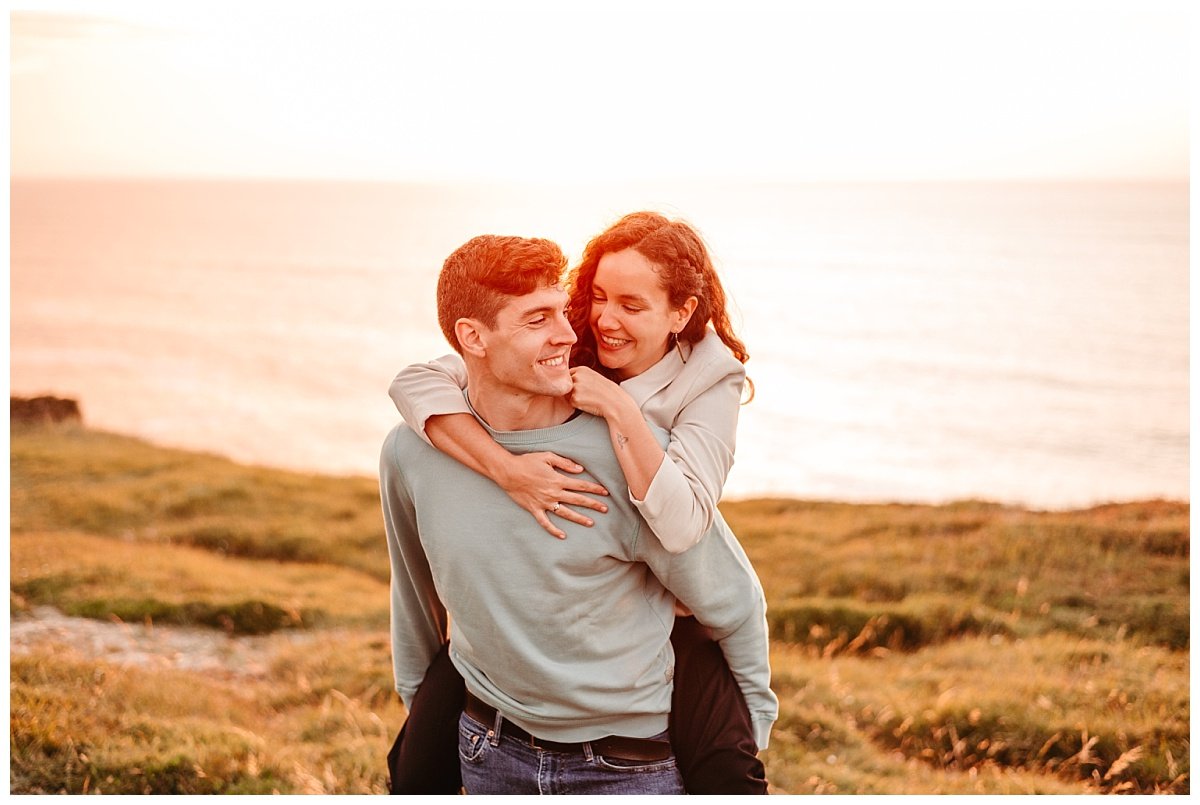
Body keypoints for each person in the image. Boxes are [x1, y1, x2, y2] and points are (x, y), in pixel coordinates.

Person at [380, 234, 776, 795]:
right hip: (486, 748)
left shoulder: (639, 456)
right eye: (543, 316)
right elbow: (415, 596)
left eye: (563, 313)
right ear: (473, 337)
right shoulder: (415, 450)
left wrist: (755, 724)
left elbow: (728, 595)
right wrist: (421, 714)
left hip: (626, 767)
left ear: (680, 314)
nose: (575, 331)